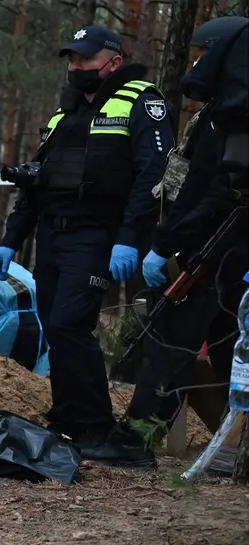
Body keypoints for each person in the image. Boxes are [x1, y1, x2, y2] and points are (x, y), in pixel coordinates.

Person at [0, 26, 174, 452]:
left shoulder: (141, 102)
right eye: (71, 59)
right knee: (57, 328)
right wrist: (11, 238)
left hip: (98, 235)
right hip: (54, 235)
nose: (76, 67)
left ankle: (95, 425)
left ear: (113, 62)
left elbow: (153, 175)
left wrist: (129, 238)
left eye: (85, 59)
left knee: (69, 323)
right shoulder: (65, 113)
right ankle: (68, 418)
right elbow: (38, 182)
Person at [87, 16, 249, 466]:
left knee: (171, 343)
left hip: (209, 249)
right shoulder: (229, 113)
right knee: (227, 341)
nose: (196, 64)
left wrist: (164, 246)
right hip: (227, 251)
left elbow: (204, 193)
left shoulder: (225, 118)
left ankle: (136, 442)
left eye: (202, 55)